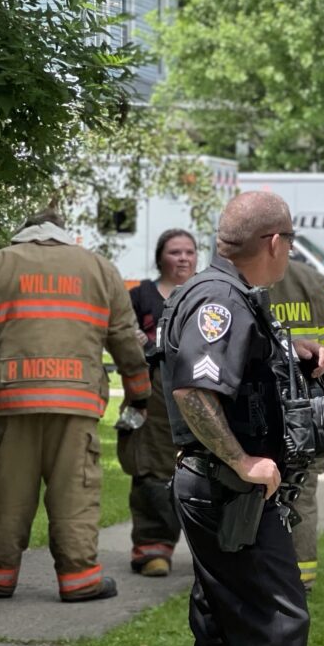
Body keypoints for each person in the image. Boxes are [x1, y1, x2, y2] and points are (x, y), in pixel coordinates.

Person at [162, 191, 324, 646]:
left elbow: (233, 366)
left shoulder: (231, 294)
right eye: (289, 241)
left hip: (215, 490)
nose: (289, 252)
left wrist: (294, 352)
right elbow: (193, 389)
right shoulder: (220, 300)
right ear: (274, 242)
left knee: (220, 628)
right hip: (226, 490)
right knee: (278, 622)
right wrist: (242, 461)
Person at [0, 208, 149, 601]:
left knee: (8, 492)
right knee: (75, 492)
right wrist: (139, 392)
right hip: (76, 400)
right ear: (63, 232)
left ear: (23, 232)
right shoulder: (99, 268)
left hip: (13, 399)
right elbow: (125, 337)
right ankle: (80, 579)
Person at [118, 228, 198, 577]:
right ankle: (153, 549)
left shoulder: (207, 293)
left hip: (201, 391)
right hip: (152, 396)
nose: (183, 258)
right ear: (159, 258)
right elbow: (117, 336)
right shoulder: (140, 296)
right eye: (174, 252)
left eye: (189, 252)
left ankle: (214, 552)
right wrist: (131, 339)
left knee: (207, 471)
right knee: (151, 470)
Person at [265, 249, 324, 590]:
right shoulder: (310, 278)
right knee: (302, 491)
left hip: (261, 404)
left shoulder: (243, 275)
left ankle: (265, 574)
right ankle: (302, 577)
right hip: (307, 407)